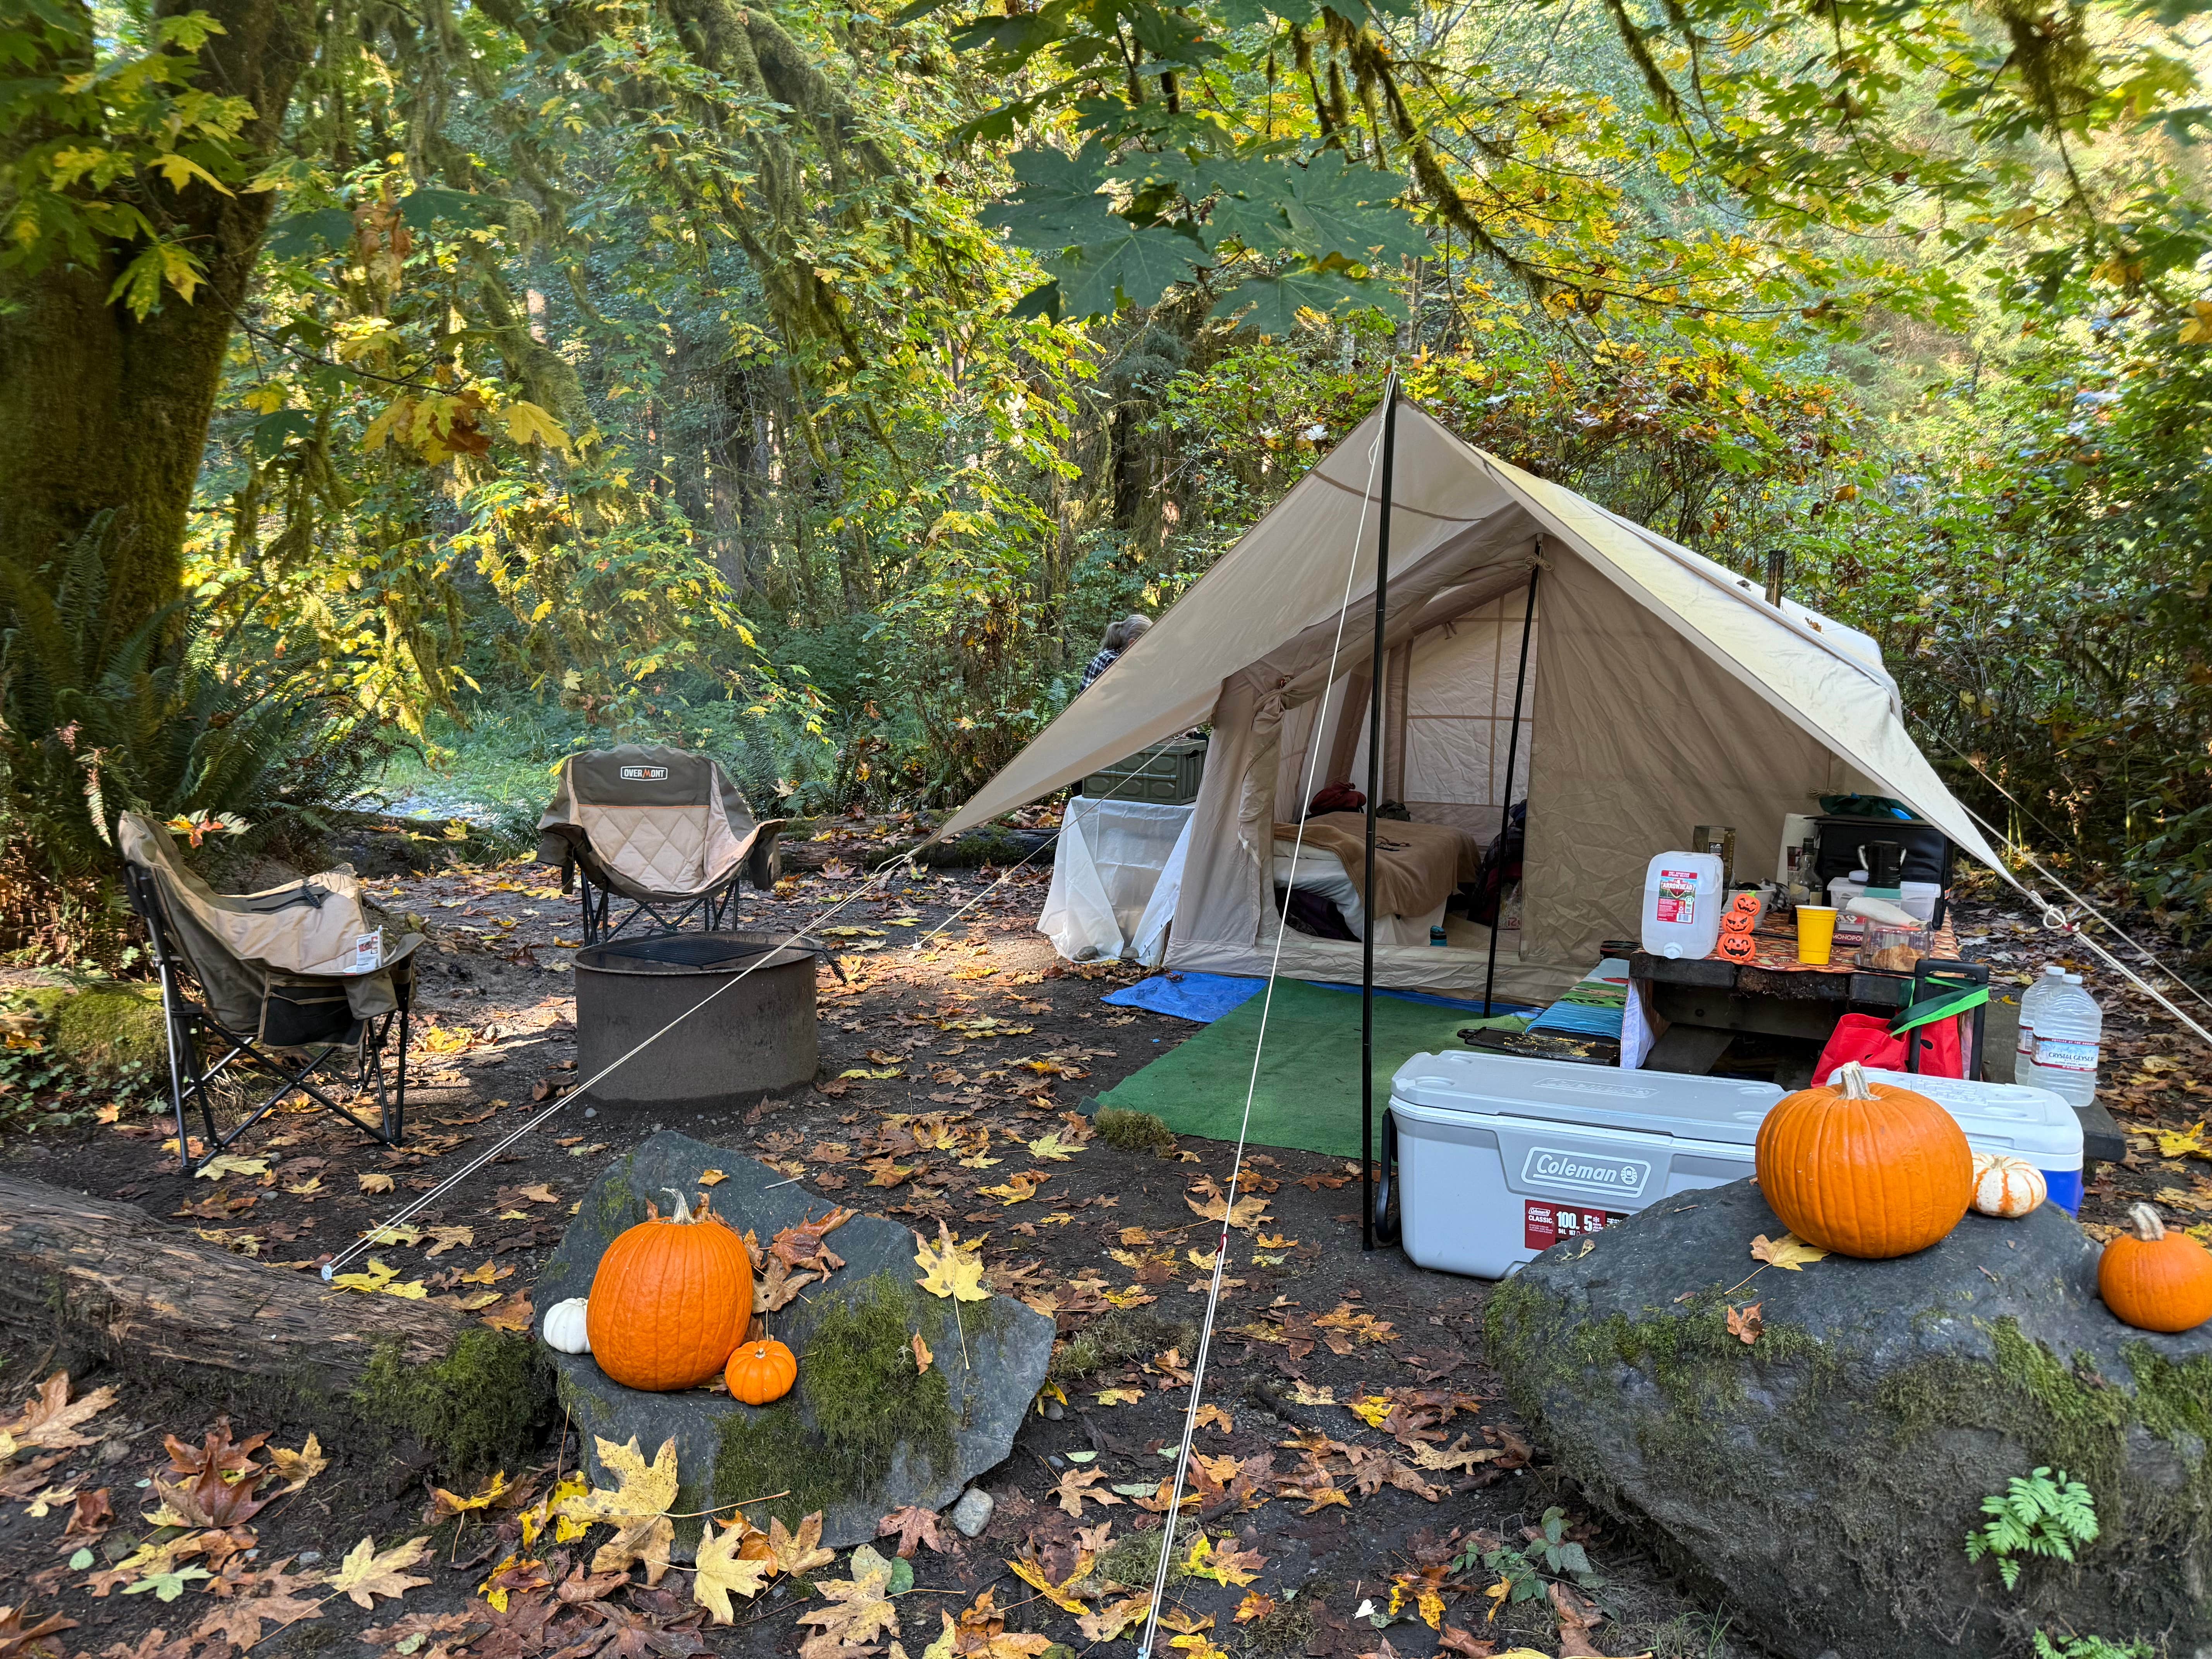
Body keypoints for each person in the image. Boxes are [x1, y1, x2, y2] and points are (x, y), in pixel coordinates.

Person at [1080, 613, 1151, 690]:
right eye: (1149, 644)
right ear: (1133, 644)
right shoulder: (1113, 662)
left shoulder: (1111, 654)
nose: (1152, 649)